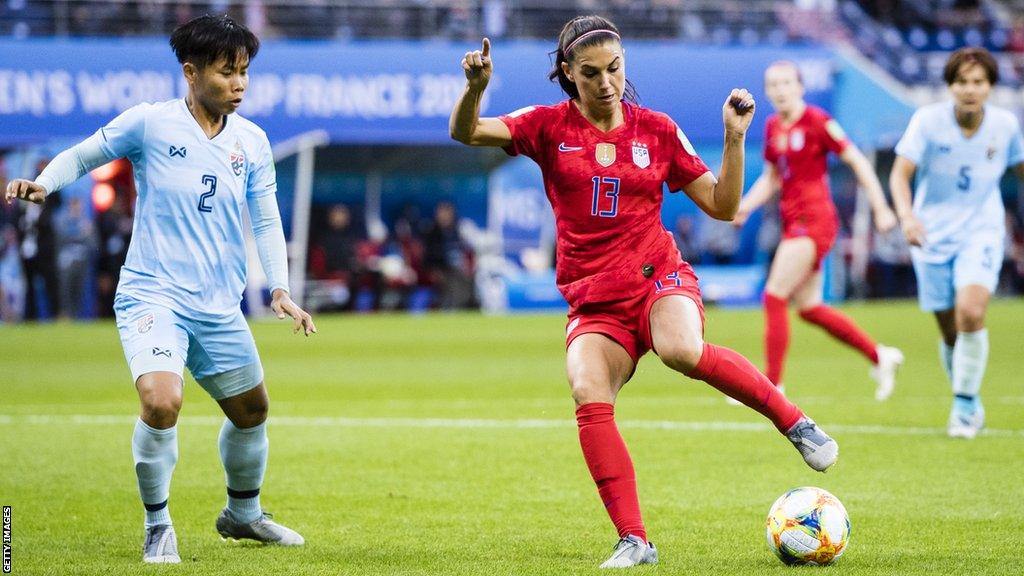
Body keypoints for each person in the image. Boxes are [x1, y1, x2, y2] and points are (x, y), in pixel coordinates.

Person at [449, 15, 838, 568]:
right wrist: (475, 89)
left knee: (681, 348)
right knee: (587, 390)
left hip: (659, 276)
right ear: (567, 73)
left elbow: (725, 207)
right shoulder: (545, 126)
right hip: (595, 301)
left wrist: (733, 137)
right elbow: (466, 132)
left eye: (615, 69)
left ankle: (793, 421)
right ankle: (635, 539)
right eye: (591, 73)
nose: (606, 82)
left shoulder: (656, 129)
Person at [5, 15, 316, 563]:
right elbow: (84, 154)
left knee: (251, 412)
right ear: (191, 72)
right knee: (162, 402)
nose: (239, 84)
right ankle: (157, 526)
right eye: (226, 72)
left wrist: (280, 289)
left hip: (217, 303)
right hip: (153, 293)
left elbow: (264, 220)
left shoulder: (253, 141)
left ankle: (243, 515)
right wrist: (44, 184)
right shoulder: (150, 123)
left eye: (244, 72)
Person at [732, 61, 905, 401]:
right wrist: (746, 205)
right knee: (809, 307)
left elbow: (857, 161)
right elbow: (772, 177)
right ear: (766, 92)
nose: (780, 90)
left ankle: (772, 386)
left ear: (800, 87)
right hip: (793, 220)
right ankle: (879, 355)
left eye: (786, 83)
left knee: (774, 294)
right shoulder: (771, 127)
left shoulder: (817, 121)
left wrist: (882, 207)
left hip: (814, 220)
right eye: (773, 85)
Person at [889, 47, 1024, 439]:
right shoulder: (927, 122)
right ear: (950, 86)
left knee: (971, 311)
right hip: (930, 235)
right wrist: (907, 217)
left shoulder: (1006, 125)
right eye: (962, 82)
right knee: (950, 330)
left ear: (990, 87)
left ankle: (963, 409)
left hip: (982, 230)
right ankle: (968, 397)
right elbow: (900, 176)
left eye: (978, 82)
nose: (970, 89)